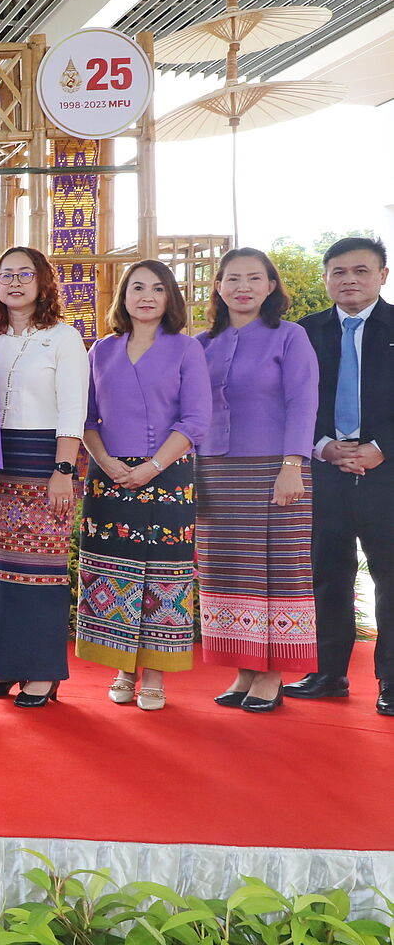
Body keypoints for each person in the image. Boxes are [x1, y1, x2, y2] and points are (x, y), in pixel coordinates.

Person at [77, 259, 211, 711]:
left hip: (167, 475)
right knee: (114, 573)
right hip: (108, 477)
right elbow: (86, 418)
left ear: (170, 298)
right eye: (137, 287)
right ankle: (122, 667)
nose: (147, 296)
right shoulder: (100, 350)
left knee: (162, 575)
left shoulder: (186, 349)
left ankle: (154, 673)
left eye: (158, 288)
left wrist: (152, 466)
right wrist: (108, 463)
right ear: (123, 296)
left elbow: (195, 419)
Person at [195, 248, 318, 712]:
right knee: (227, 570)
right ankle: (244, 668)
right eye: (232, 278)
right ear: (219, 287)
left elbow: (304, 402)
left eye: (254, 278)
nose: (242, 286)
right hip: (213, 470)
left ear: (270, 287)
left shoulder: (290, 336)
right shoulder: (202, 343)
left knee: (275, 570)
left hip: (274, 469)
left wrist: (293, 465)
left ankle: (271, 673)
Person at [0, 247, 87, 708]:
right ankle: (1, 664)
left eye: (25, 274)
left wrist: (63, 470)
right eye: (6, 275)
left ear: (43, 283)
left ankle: (40, 673)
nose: (15, 282)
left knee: (40, 569)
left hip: (44, 460)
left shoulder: (63, 337)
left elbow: (74, 408)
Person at [286, 237, 394, 714]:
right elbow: (290, 399)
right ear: (326, 277)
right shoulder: (305, 333)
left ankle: (391, 680)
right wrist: (323, 445)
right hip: (325, 470)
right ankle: (329, 673)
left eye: (361, 271)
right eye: (339, 272)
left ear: (382, 275)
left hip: (386, 473)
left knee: (390, 578)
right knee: (328, 574)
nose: (350, 280)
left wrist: (380, 449)